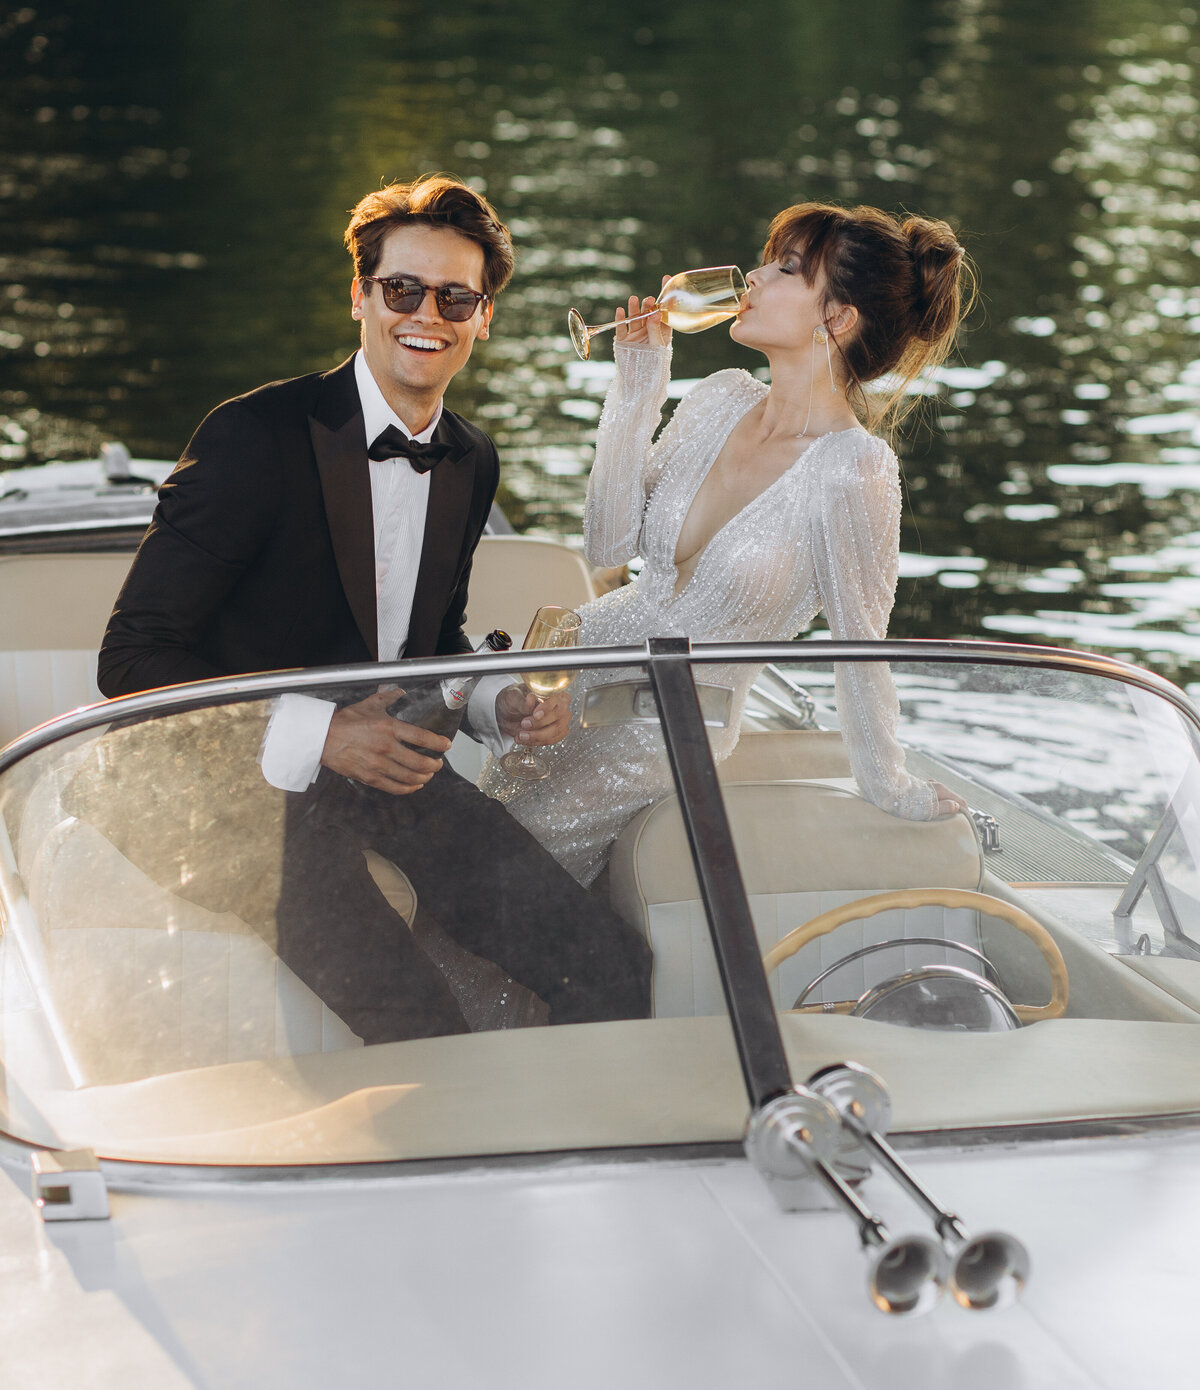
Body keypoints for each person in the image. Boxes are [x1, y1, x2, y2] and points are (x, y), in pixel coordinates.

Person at [97, 173, 650, 1041]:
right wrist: (325, 731)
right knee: (418, 1019)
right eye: (403, 289)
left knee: (611, 964)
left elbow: (432, 642)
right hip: (236, 780)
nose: (426, 314)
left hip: (393, 768)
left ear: (482, 318)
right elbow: (132, 657)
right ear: (361, 296)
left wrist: (491, 703)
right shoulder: (253, 436)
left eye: (455, 297)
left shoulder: (471, 459)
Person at [480, 201, 970, 887]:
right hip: (573, 663)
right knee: (475, 826)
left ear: (839, 318)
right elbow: (606, 543)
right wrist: (636, 386)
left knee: (498, 866)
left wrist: (888, 784)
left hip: (669, 728)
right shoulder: (719, 397)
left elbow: (862, 647)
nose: (755, 278)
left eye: (786, 268)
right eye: (767, 258)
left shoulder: (852, 469)